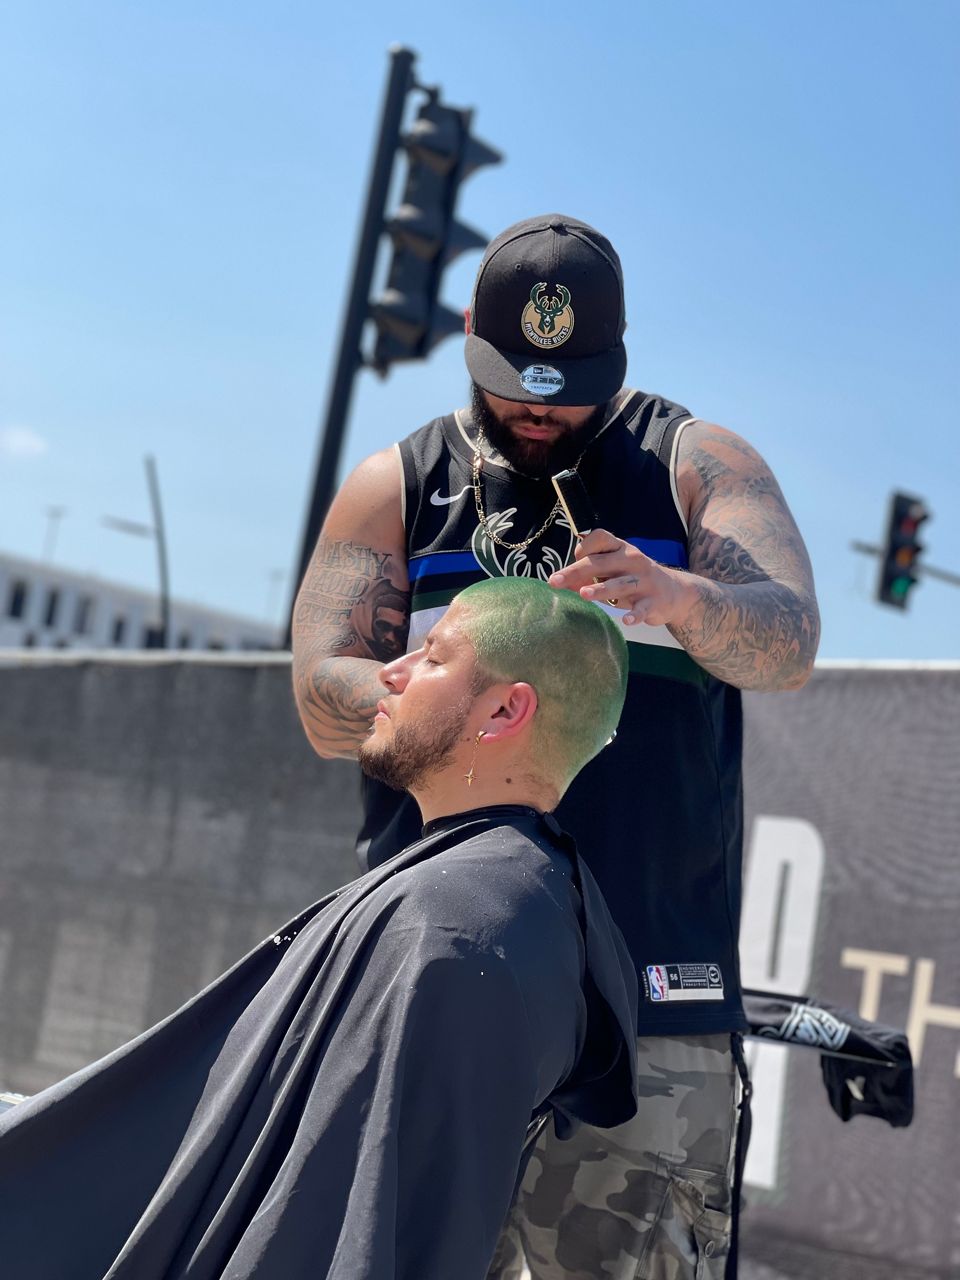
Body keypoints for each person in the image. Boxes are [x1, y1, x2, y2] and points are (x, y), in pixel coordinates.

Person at [292, 214, 821, 1279]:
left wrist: (681, 597)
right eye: (513, 383)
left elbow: (790, 640)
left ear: (616, 357)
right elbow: (318, 694)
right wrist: (417, 680)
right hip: (436, 983)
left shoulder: (694, 463)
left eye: (567, 386)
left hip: (649, 1005)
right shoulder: (399, 483)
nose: (540, 410)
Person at [0, 577, 639, 1280]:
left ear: (504, 710)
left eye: (432, 656)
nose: (389, 674)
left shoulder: (455, 927)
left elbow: (356, 1230)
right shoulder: (500, 897)